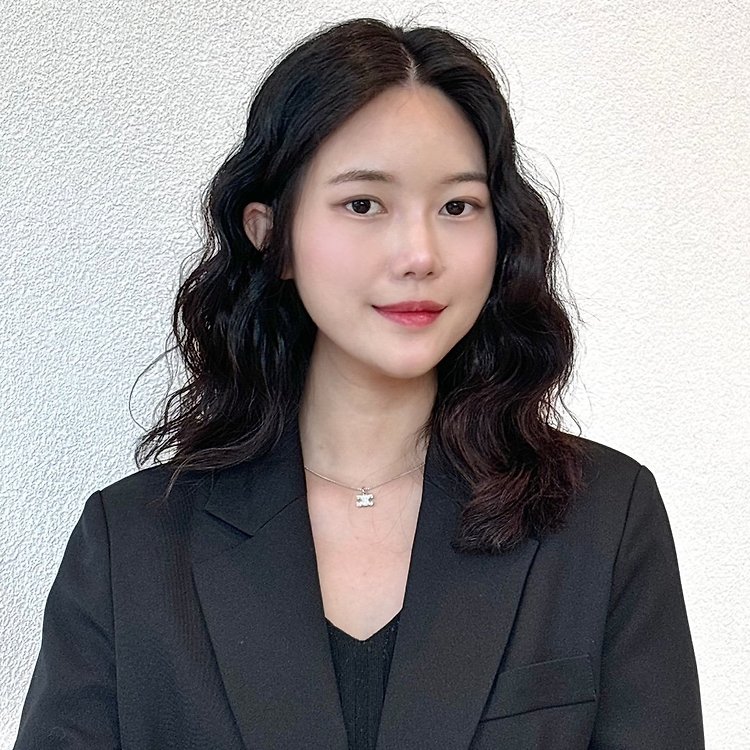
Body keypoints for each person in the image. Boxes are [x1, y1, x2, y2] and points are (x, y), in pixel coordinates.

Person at [13, 16, 704, 750]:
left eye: (458, 207)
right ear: (271, 235)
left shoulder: (603, 518)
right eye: (364, 204)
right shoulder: (132, 544)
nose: (419, 253)